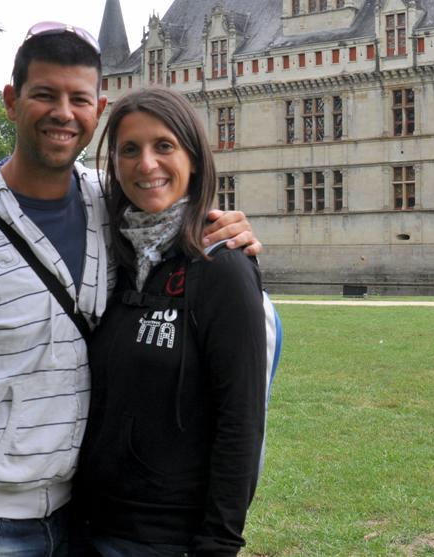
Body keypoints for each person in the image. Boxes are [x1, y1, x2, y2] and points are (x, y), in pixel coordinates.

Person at [0, 23, 259, 557]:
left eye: (78, 99)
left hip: (71, 518)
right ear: (12, 102)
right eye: (45, 95)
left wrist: (227, 228)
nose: (63, 113)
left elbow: (165, 200)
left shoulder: (107, 209)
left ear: (97, 109)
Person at [76, 87, 273, 557]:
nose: (146, 165)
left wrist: (219, 544)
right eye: (130, 149)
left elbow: (240, 423)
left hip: (168, 540)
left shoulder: (222, 266)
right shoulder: (109, 256)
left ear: (195, 159)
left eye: (164, 146)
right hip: (85, 528)